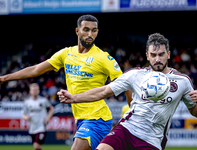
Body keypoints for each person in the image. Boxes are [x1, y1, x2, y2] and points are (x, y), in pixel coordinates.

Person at [0, 14, 132, 150]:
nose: (90, 34)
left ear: (97, 32)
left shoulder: (103, 58)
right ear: (77, 31)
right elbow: (36, 70)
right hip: (81, 119)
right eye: (86, 29)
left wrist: (132, 112)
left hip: (98, 119)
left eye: (94, 30)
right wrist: (4, 78)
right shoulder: (66, 54)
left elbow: (126, 84)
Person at [57, 33, 197, 150]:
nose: (157, 59)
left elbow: (195, 112)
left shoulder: (182, 81)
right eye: (153, 55)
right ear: (147, 56)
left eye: (161, 54)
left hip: (153, 140)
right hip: (126, 129)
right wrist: (74, 98)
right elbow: (104, 91)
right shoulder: (135, 75)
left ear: (168, 55)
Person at [22, 83, 54, 150]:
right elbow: (23, 114)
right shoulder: (27, 102)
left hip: (41, 127)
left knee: (36, 145)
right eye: (33, 90)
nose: (35, 91)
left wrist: (48, 118)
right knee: (36, 147)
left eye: (36, 90)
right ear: (30, 91)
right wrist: (26, 118)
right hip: (32, 128)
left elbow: (52, 109)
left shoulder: (43, 101)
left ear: (39, 91)